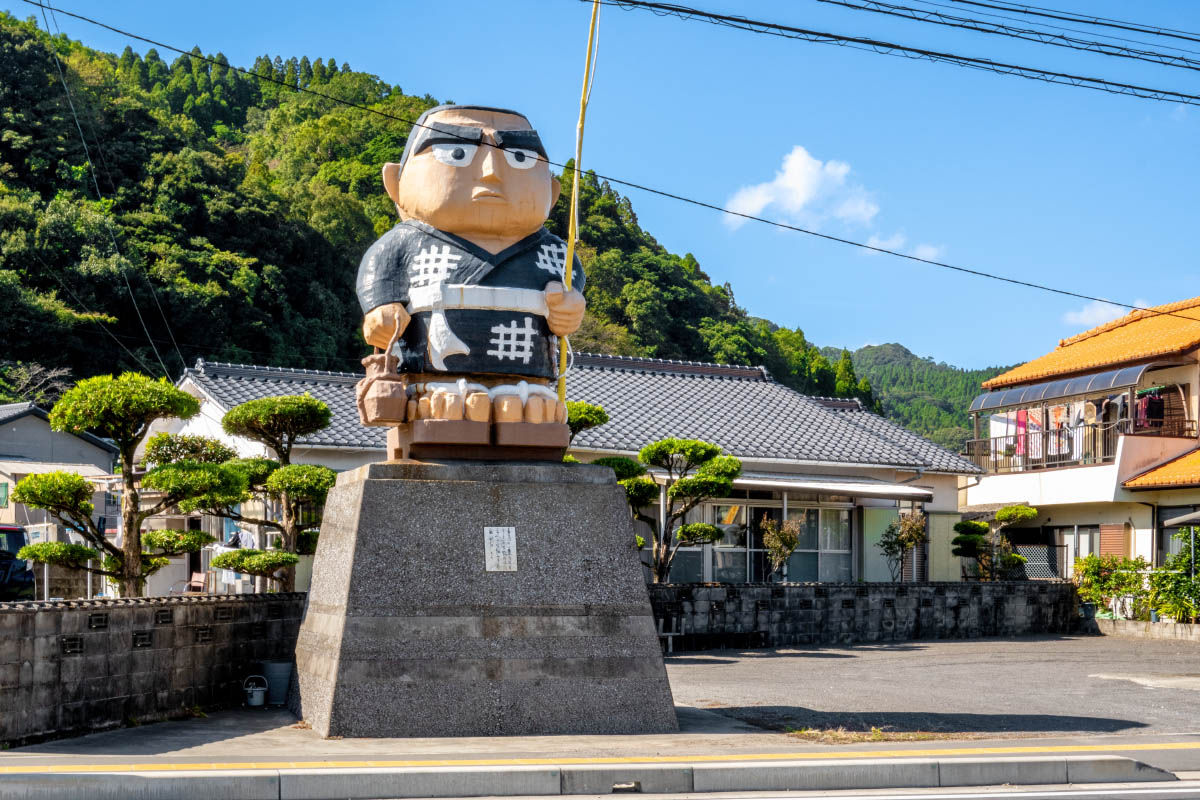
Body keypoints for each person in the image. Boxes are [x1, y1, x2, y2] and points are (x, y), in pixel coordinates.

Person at [357, 104, 585, 429]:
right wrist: (381, 307)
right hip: (433, 375)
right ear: (396, 181)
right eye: (456, 151)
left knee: (528, 409)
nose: (490, 171)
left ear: (553, 192)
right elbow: (378, 279)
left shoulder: (552, 250)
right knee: (443, 404)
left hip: (525, 373)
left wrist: (568, 307)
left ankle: (523, 400)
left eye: (519, 157)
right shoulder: (406, 240)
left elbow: (571, 289)